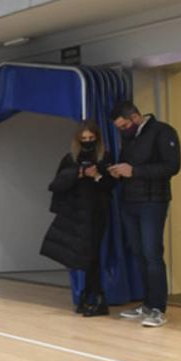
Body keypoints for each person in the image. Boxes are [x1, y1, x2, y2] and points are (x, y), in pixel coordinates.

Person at [109, 100, 181, 328]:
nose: (122, 131)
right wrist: (119, 170)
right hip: (130, 201)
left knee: (152, 254)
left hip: (153, 202)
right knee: (139, 254)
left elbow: (172, 166)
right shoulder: (130, 137)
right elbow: (130, 165)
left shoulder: (163, 132)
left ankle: (158, 308)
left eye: (123, 126)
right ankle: (148, 304)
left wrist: (135, 171)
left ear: (135, 118)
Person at [40, 121, 114, 316]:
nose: (88, 142)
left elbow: (111, 186)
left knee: (92, 258)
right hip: (74, 214)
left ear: (97, 138)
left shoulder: (104, 157)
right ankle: (89, 296)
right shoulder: (70, 159)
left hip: (96, 213)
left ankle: (96, 297)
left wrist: (97, 175)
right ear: (78, 140)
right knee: (79, 258)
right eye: (84, 139)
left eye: (91, 138)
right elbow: (56, 184)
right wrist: (79, 173)